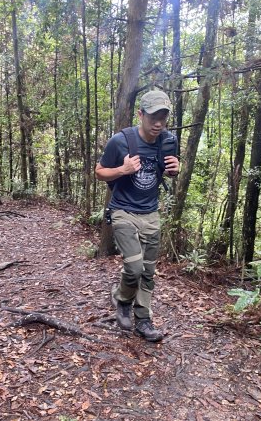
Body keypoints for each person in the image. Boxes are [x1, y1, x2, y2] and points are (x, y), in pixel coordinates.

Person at [95, 90, 180, 342]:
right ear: (141, 114)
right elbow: (99, 172)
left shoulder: (168, 141)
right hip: (122, 211)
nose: (158, 123)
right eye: (153, 116)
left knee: (148, 271)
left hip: (151, 213)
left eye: (163, 117)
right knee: (134, 266)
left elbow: (168, 170)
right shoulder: (120, 141)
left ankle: (143, 319)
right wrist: (123, 169)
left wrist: (176, 169)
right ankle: (122, 301)